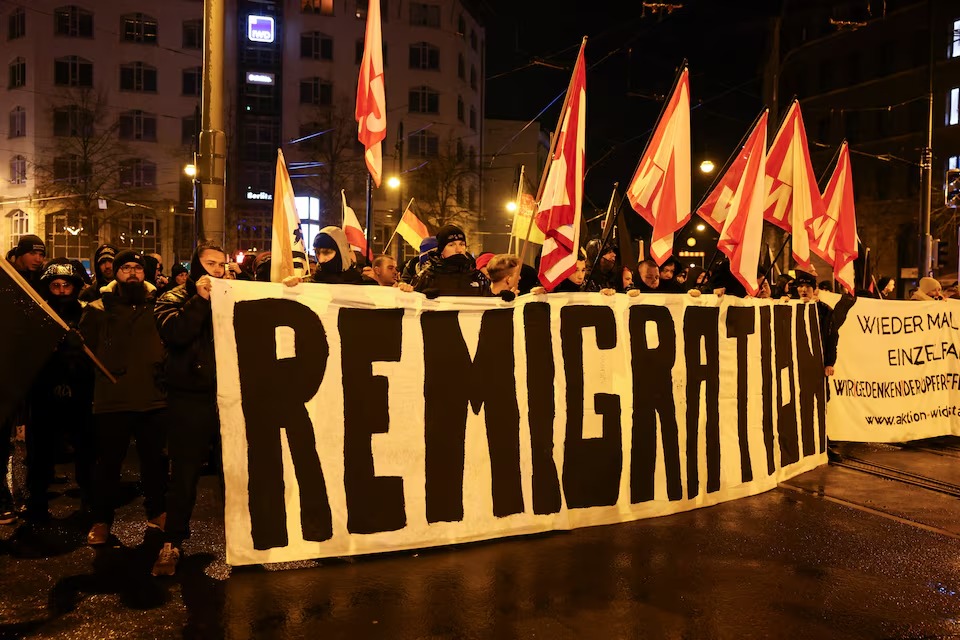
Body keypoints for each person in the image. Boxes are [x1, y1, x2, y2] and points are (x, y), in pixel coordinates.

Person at [78, 250, 168, 546]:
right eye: (125, 267)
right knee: (108, 465)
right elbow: (84, 349)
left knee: (154, 462)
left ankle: (157, 513)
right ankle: (102, 519)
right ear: (115, 273)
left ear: (146, 273)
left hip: (152, 397)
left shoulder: (158, 306)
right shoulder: (97, 309)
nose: (132, 273)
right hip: (112, 397)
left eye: (137, 268)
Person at [151, 242, 227, 576]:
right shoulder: (173, 298)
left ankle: (246, 543)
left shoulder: (231, 295)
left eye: (222, 265)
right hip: (190, 398)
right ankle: (173, 543)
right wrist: (199, 300)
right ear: (196, 266)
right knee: (184, 476)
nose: (217, 270)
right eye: (210, 264)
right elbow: (176, 333)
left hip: (227, 398)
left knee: (236, 475)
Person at [25, 260, 95, 522]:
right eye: (56, 285)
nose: (62, 291)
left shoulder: (89, 314)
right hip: (45, 390)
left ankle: (89, 500)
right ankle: (37, 503)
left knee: (85, 448)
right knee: (41, 450)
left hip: (81, 390)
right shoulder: (38, 315)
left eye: (66, 285)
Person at [412, 225, 489, 296]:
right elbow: (411, 302)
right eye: (451, 245)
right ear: (441, 250)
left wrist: (499, 298)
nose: (459, 250)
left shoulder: (477, 276)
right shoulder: (427, 277)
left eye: (462, 244)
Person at [795, 270, 837, 376]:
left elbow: (831, 338)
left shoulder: (825, 310)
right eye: (801, 286)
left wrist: (829, 363)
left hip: (816, 362)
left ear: (814, 289)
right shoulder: (789, 307)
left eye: (808, 286)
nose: (804, 289)